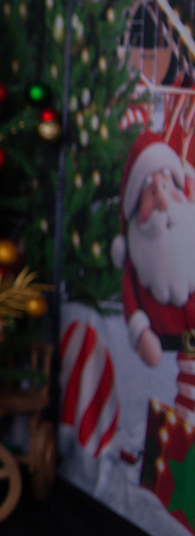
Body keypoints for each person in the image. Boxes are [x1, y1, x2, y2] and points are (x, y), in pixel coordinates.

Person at [111, 130, 195, 425]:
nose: (163, 202)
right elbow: (132, 305)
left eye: (166, 185)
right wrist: (141, 333)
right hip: (165, 345)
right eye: (151, 192)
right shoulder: (138, 257)